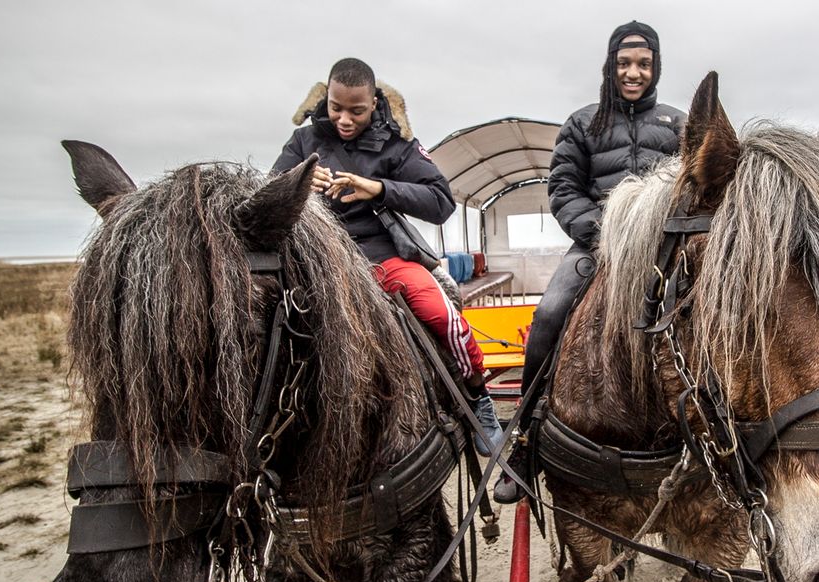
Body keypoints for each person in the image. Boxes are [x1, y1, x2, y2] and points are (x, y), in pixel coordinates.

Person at [494, 21, 686, 503]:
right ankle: (525, 440)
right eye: (624, 63)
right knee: (549, 314)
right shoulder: (583, 123)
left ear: (656, 65)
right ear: (610, 66)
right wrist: (605, 236)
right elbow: (563, 189)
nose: (633, 73)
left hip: (667, 251)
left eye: (643, 63)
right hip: (596, 249)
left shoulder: (679, 124)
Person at [272, 57, 502, 454]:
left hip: (381, 257)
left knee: (439, 314)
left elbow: (440, 201)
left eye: (356, 111)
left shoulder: (398, 146)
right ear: (325, 98)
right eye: (336, 108)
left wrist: (378, 188)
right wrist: (298, 183)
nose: (344, 119)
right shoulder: (303, 143)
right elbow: (268, 194)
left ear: (374, 102)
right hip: (313, 261)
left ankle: (477, 395)